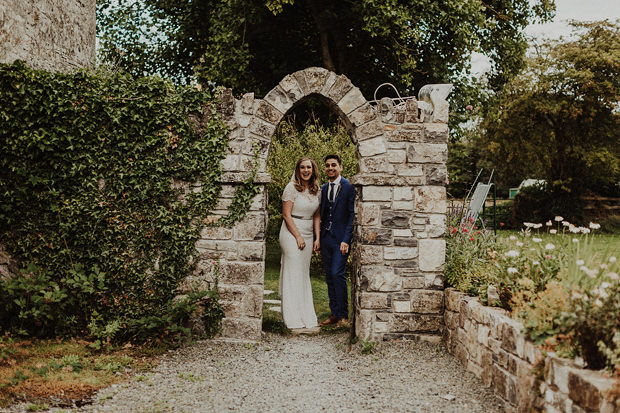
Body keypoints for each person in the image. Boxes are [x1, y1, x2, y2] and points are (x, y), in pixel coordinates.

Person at [279, 157, 321, 331]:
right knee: (293, 272)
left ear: (313, 170)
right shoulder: (291, 188)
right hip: (291, 232)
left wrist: (317, 238)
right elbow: (286, 215)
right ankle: (292, 317)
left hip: (309, 231)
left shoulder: (316, 189)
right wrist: (297, 236)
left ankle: (306, 315)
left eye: (308, 167)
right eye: (302, 167)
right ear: (298, 169)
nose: (306, 170)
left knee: (303, 274)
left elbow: (317, 216)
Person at [318, 154, 355, 328]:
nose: (330, 168)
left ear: (340, 166)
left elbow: (351, 216)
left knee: (337, 274)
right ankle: (334, 313)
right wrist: (318, 238)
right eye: (327, 165)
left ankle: (343, 315)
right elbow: (322, 215)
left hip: (341, 240)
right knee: (329, 277)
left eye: (333, 165)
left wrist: (346, 239)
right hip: (326, 239)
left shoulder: (348, 187)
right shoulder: (323, 188)